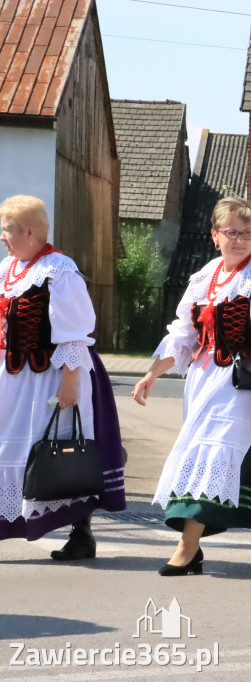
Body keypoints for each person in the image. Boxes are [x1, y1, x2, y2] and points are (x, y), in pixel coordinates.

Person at [132, 197, 251, 576]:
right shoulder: (205, 276)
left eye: (246, 233)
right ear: (215, 235)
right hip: (203, 381)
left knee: (214, 458)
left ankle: (187, 548)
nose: (239, 240)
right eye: (231, 232)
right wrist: (151, 373)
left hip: (243, 387)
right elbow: (183, 334)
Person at [0, 195, 125, 559]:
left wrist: (69, 380)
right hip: (12, 376)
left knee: (58, 450)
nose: (2, 237)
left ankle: (81, 534)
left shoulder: (59, 270)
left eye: (7, 230)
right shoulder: (8, 269)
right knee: (11, 448)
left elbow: (75, 332)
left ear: (30, 230)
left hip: (50, 376)